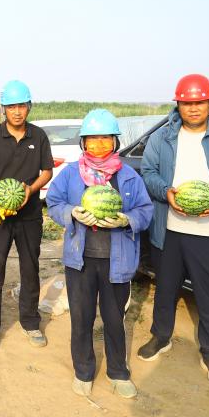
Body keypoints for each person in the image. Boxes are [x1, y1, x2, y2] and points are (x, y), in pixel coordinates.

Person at [138, 74, 209, 388]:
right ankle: (161, 336)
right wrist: (166, 192)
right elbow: (148, 172)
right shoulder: (162, 138)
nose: (193, 108)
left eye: (199, 102)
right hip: (169, 230)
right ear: (178, 104)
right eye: (187, 103)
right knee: (165, 290)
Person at [46, 109, 152, 399]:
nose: (99, 145)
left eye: (105, 139)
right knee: (81, 318)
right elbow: (53, 202)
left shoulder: (128, 176)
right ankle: (83, 371)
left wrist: (127, 220)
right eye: (92, 140)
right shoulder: (70, 173)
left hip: (117, 261)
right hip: (79, 260)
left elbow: (145, 210)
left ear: (115, 142)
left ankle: (117, 371)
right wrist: (71, 212)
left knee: (114, 318)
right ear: (83, 143)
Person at [0, 80, 53, 352]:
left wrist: (29, 190)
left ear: (29, 107)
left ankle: (30, 322)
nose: (17, 111)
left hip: (29, 214)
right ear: (3, 109)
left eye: (21, 106)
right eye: (11, 107)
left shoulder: (38, 137)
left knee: (30, 267)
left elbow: (47, 171)